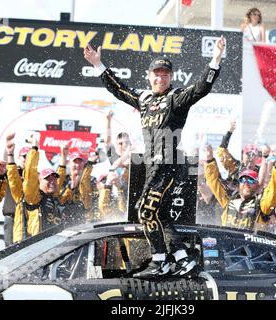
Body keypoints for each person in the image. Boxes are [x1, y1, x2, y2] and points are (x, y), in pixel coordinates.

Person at [83, 36, 225, 278]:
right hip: (151, 166)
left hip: (168, 165)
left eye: (165, 74)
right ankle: (182, 259)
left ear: (171, 77)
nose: (161, 78)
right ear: (149, 76)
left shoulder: (176, 98)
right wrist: (98, 64)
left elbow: (201, 88)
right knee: (161, 214)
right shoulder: (144, 99)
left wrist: (216, 59)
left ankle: (160, 261)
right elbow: (120, 89)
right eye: (156, 74)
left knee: (145, 211)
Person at [204, 145, 276, 230]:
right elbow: (213, 182)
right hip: (229, 242)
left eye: (250, 180)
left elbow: (275, 189)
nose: (246, 183)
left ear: (256, 184)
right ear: (239, 184)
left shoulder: (261, 206)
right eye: (243, 180)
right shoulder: (227, 201)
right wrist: (209, 159)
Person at [2, 144, 30, 246]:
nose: (26, 159)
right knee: (10, 250)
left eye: (29, 157)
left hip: (28, 218)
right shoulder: (13, 171)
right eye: (24, 156)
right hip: (12, 217)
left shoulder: (34, 176)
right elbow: (5, 166)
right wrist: (9, 150)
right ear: (18, 157)